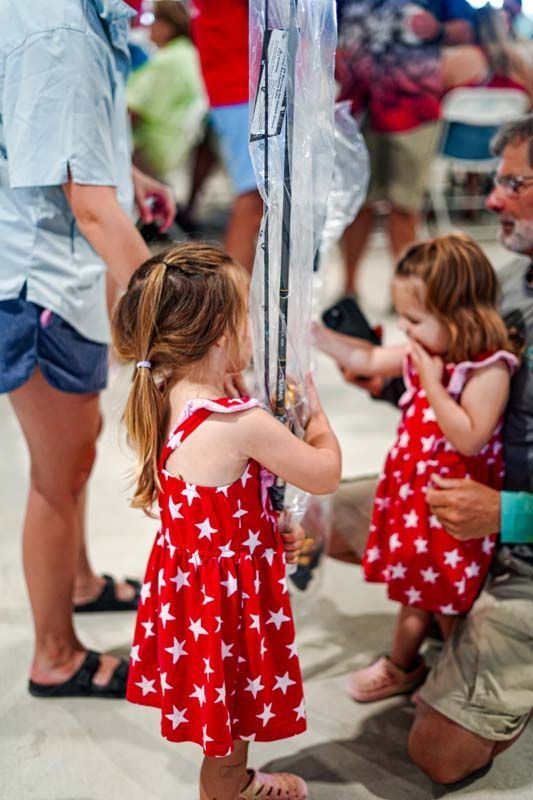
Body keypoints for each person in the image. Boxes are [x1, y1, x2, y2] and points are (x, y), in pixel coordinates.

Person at [327, 115, 533, 783]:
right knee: (312, 518)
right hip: (468, 508)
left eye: (511, 183)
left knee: (438, 755)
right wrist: (387, 381)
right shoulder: (503, 279)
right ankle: (446, 636)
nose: (492, 198)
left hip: (516, 538)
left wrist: (506, 516)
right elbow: (458, 386)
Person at [112, 242, 341, 799]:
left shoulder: (167, 392)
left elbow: (225, 495)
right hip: (228, 611)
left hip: (193, 598)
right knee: (231, 730)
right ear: (221, 335)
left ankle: (232, 779)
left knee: (224, 721)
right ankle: (230, 788)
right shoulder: (243, 424)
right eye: (249, 319)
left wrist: (264, 525)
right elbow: (325, 473)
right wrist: (314, 412)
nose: (255, 332)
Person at [0, 0, 175, 698]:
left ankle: (77, 582)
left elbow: (55, 140)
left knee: (79, 445)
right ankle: (55, 656)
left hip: (55, 268)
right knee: (58, 470)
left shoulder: (74, 16)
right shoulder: (60, 27)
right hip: (39, 277)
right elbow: (90, 207)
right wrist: (177, 314)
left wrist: (128, 180)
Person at [315, 233, 519, 702]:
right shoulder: (425, 350)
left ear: (458, 314)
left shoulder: (486, 369)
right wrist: (319, 337)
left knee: (448, 597)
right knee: (413, 589)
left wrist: (431, 381)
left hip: (453, 512)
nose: (405, 331)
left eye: (413, 319)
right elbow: (365, 357)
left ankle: (454, 671)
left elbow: (469, 435)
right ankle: (402, 665)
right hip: (413, 504)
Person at [336, 0, 475, 295]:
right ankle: (348, 290)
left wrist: (437, 30)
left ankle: (404, 291)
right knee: (357, 202)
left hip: (414, 108)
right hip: (359, 107)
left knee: (405, 204)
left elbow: (467, 29)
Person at [127, 0, 217, 229]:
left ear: (168, 25)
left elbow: (129, 111)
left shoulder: (166, 62)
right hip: (174, 145)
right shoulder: (188, 54)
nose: (146, 27)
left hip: (150, 149)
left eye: (150, 20)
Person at [190, 0, 263, 272]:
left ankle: (240, 297)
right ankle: (233, 300)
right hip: (241, 84)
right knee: (253, 197)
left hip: (239, 82)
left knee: (258, 199)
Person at [442, 5, 533, 104]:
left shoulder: (454, 57)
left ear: (471, 27)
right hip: (514, 117)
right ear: (502, 27)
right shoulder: (518, 59)